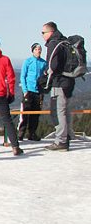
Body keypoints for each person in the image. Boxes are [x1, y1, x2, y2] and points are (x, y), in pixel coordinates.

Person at [41, 22, 75, 151]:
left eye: (43, 32)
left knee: (57, 111)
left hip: (59, 82)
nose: (42, 35)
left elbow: (52, 66)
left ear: (50, 32)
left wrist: (44, 76)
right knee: (65, 111)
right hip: (69, 81)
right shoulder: (65, 42)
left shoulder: (53, 44)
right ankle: (66, 137)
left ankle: (61, 141)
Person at [18, 43, 46, 141]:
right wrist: (25, 90)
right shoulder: (28, 61)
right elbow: (23, 76)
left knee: (36, 113)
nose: (39, 51)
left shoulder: (43, 63)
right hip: (28, 91)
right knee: (25, 112)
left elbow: (45, 76)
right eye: (37, 49)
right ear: (33, 50)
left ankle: (32, 133)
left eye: (40, 49)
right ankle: (21, 132)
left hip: (38, 91)